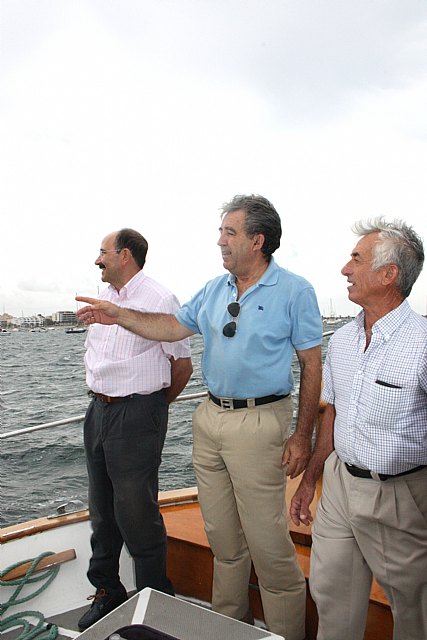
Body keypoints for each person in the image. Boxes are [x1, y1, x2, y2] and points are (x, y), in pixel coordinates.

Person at [77, 195, 323, 640]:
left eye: (230, 233)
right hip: (210, 418)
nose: (220, 241)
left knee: (268, 547)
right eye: (222, 232)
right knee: (225, 544)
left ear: (257, 240)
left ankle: (285, 635)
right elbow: (170, 328)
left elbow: (311, 363)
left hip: (259, 421)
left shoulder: (295, 291)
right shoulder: (214, 288)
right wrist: (119, 316)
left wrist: (302, 435)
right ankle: (229, 629)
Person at [290, 217, 427, 640]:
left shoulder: (422, 342)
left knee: (414, 609)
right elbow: (332, 413)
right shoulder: (344, 341)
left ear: (389, 275)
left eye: (356, 259)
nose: (345, 269)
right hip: (338, 486)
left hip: (398, 495)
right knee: (330, 594)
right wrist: (311, 479)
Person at [77, 228, 193, 632]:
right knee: (102, 511)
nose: (97, 259)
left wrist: (153, 408)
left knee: (137, 514)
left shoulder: (159, 298)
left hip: (137, 413)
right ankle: (108, 592)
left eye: (103, 252)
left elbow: (182, 365)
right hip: (98, 411)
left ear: (125, 255)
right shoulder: (104, 297)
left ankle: (155, 604)